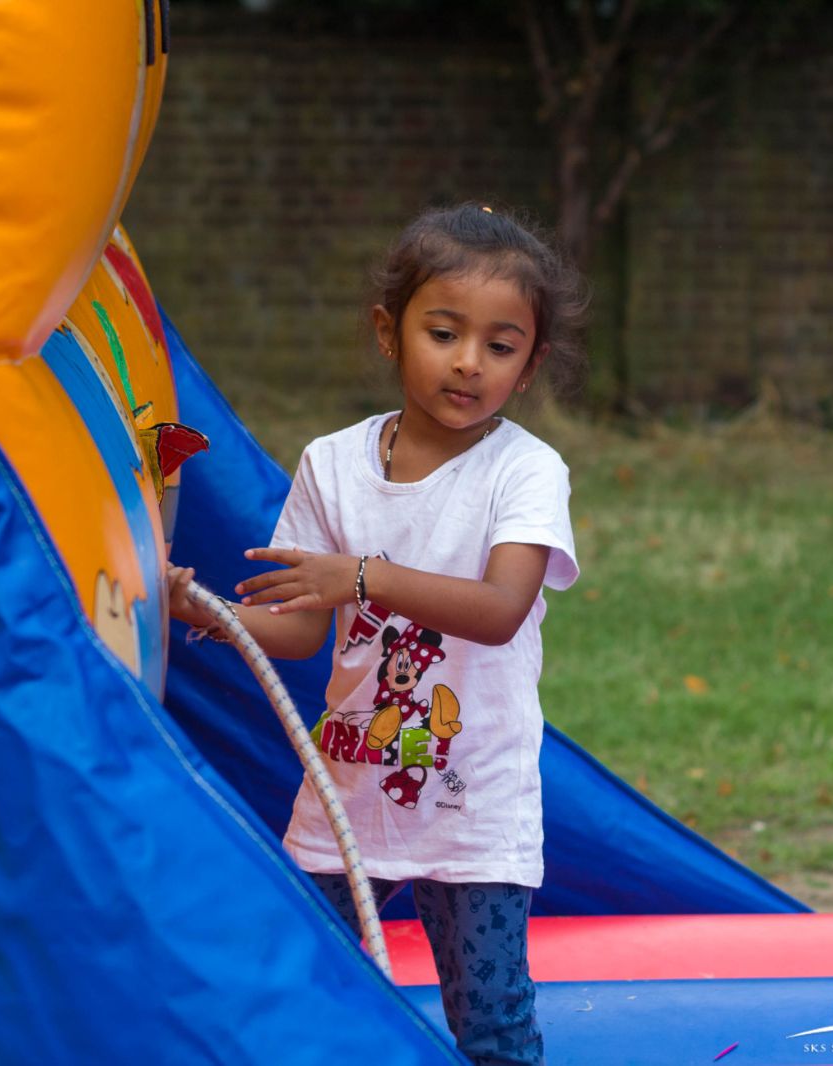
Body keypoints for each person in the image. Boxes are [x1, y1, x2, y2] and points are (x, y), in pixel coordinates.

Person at [167, 202, 587, 1066]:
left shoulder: (526, 471)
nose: (468, 363)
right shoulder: (331, 462)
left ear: (531, 363)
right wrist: (197, 609)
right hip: (349, 794)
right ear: (389, 332)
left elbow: (501, 609)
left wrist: (362, 576)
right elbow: (294, 634)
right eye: (443, 332)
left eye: (500, 347)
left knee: (494, 1027)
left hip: (476, 803)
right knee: (294, 987)